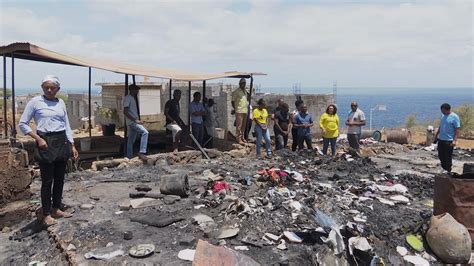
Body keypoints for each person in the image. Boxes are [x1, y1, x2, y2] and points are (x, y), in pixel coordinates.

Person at [19, 75, 79, 226]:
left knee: (60, 178)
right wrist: (38, 139)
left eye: (53, 87)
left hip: (61, 141)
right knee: (47, 181)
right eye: (46, 87)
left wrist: (71, 145)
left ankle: (56, 208)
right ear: (42, 88)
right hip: (45, 141)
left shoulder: (61, 103)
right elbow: (23, 124)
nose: (49, 90)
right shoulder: (35, 102)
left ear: (58, 89)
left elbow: (66, 124)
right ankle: (46, 213)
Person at [123, 84, 148, 160]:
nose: (137, 91)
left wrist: (138, 120)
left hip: (133, 121)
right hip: (132, 122)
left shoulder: (132, 98)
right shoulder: (128, 98)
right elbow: (125, 112)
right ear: (132, 90)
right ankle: (142, 152)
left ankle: (129, 157)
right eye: (136, 90)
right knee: (145, 132)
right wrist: (136, 120)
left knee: (130, 140)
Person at [434, 103, 461, 173]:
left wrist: (455, 140)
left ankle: (448, 170)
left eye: (442, 110)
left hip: (448, 140)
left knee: (447, 156)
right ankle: (444, 168)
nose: (442, 112)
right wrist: (436, 135)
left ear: (447, 109)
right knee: (441, 155)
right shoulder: (443, 116)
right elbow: (441, 126)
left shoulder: (454, 117)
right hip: (441, 139)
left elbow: (457, 129)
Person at [231, 78, 249, 144]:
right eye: (242, 83)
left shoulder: (245, 91)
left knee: (243, 125)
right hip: (239, 110)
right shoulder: (236, 91)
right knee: (239, 125)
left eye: (244, 83)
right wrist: (235, 108)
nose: (243, 84)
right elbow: (232, 101)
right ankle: (238, 138)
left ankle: (242, 137)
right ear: (240, 84)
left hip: (245, 110)